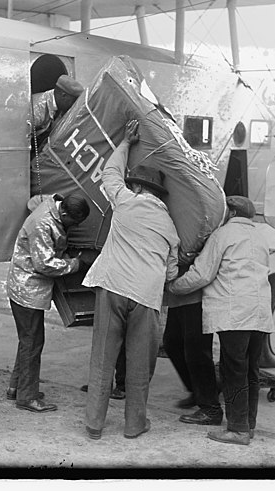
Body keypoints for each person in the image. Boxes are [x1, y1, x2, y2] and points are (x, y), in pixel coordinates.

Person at [82, 119, 180, 440]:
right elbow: (172, 271)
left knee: (103, 359)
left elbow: (109, 174)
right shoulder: (170, 226)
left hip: (112, 287)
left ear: (137, 187)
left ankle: (94, 425)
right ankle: (134, 424)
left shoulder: (125, 202)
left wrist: (125, 143)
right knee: (139, 367)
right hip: (147, 297)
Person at [168, 196, 274, 445]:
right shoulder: (260, 238)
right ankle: (247, 426)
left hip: (234, 313)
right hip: (258, 313)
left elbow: (202, 274)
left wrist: (174, 286)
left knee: (233, 370)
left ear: (232, 212)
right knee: (250, 371)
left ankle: (237, 430)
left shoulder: (223, 235)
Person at [5, 193, 90, 413]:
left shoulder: (53, 209)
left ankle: (18, 387)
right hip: (27, 288)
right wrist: (76, 264)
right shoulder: (42, 223)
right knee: (32, 342)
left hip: (27, 286)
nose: (76, 226)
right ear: (63, 213)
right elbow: (45, 264)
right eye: (74, 222)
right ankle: (27, 397)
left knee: (28, 340)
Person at [163, 278, 222, 425]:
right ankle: (199, 390)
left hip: (197, 294)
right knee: (172, 343)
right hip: (177, 296)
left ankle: (211, 408)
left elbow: (195, 260)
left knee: (197, 352)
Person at [30, 75, 85, 155]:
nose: (73, 107)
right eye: (73, 102)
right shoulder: (36, 110)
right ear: (63, 95)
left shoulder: (57, 105)